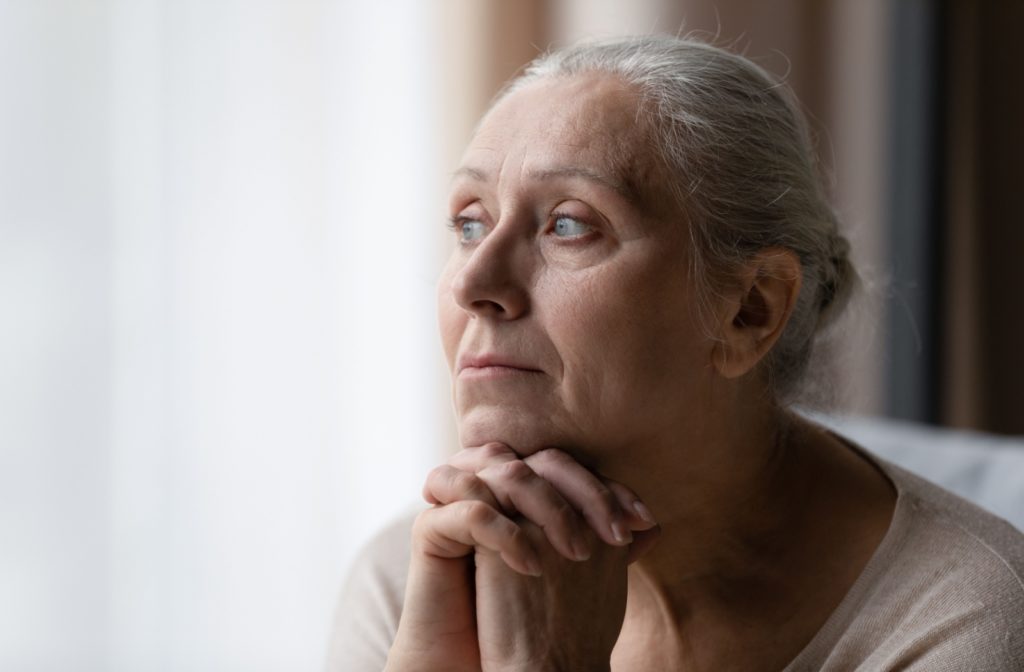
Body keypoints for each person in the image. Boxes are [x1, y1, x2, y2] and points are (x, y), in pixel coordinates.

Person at [328, 35, 1024, 671]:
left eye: (569, 224)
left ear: (749, 311)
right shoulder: (416, 578)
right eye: (470, 223)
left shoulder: (967, 626)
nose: (474, 284)